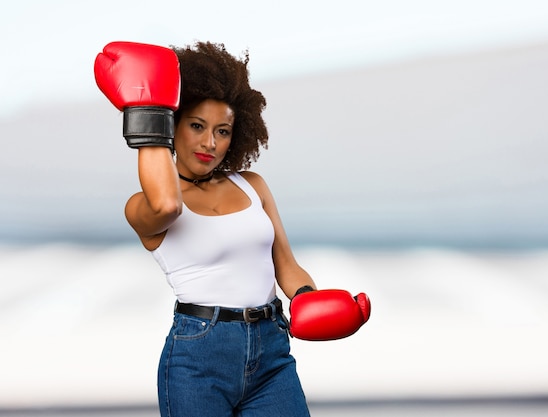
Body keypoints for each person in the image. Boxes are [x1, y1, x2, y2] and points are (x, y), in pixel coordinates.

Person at [94, 40, 370, 417]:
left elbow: (285, 264)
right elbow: (167, 204)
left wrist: (307, 297)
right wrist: (149, 110)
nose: (210, 142)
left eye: (222, 131)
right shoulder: (142, 206)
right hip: (199, 357)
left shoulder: (251, 184)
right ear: (172, 125)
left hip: (272, 351)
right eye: (196, 126)